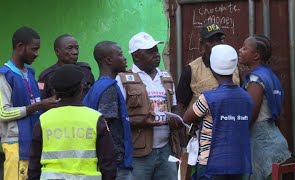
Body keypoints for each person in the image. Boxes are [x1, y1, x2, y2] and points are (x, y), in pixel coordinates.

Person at [28, 64, 117, 180]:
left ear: (56, 92)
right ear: (81, 89)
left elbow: (34, 162)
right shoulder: (95, 118)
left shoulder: (44, 120)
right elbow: (108, 161)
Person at [176, 22, 240, 179]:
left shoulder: (233, 67)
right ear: (202, 45)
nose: (217, 44)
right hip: (202, 143)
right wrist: (186, 139)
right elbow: (181, 105)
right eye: (211, 41)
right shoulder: (191, 70)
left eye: (220, 39)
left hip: (231, 140)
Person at [116, 32, 183, 180]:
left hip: (166, 148)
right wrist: (141, 122)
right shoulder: (123, 79)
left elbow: (175, 107)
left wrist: (177, 120)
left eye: (156, 49)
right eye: (150, 51)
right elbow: (117, 118)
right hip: (138, 152)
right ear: (136, 56)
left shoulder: (165, 77)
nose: (156, 54)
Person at [183, 44, 253, 180]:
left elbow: (186, 117)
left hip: (211, 163)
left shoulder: (208, 98)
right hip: (239, 162)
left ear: (213, 69)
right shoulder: (246, 98)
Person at [0, 27, 57, 180]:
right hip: (16, 145)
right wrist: (39, 106)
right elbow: (3, 113)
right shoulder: (4, 75)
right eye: (34, 49)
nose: (37, 54)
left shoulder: (30, 73)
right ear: (20, 47)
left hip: (34, 143)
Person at [238, 35, 294, 180]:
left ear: (256, 56)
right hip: (274, 142)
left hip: (263, 146)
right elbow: (281, 115)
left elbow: (249, 116)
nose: (240, 50)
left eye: (244, 48)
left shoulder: (256, 80)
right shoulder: (270, 76)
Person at [83, 41, 133, 180]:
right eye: (121, 54)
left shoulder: (98, 86)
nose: (124, 58)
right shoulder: (108, 88)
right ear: (109, 60)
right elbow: (105, 126)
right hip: (114, 164)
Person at [38, 34, 95, 100]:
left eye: (76, 48)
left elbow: (93, 95)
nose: (75, 52)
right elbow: (41, 103)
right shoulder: (45, 77)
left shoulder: (85, 70)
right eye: (69, 48)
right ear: (57, 51)